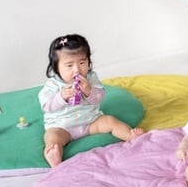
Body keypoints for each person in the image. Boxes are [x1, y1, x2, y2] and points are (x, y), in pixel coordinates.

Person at [39, 34, 144, 168]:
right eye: (69, 65)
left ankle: (130, 135)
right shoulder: (52, 85)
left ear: (89, 62)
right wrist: (61, 97)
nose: (77, 69)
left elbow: (99, 98)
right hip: (62, 126)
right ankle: (54, 157)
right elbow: (47, 107)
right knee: (52, 138)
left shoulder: (91, 78)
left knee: (110, 121)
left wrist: (89, 90)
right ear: (56, 67)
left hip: (90, 122)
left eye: (82, 63)